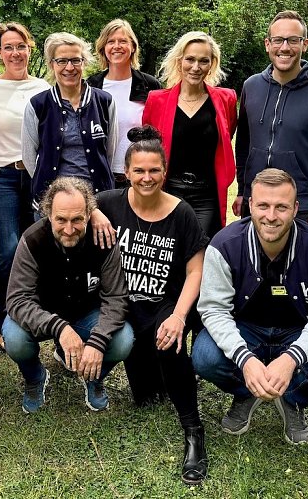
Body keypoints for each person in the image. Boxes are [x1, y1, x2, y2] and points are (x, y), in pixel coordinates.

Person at [192, 169, 308, 445]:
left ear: (295, 209)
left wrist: (291, 359)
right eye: (263, 205)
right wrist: (245, 359)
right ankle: (248, 392)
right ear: (250, 205)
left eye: (281, 207)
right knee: (204, 356)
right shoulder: (224, 245)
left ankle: (292, 399)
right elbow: (213, 310)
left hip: (298, 330)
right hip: (246, 329)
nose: (271, 216)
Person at [90, 126, 209, 485]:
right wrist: (93, 212)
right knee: (146, 396)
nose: (146, 177)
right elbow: (73, 200)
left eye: (154, 170)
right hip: (123, 305)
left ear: (164, 171)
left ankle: (193, 431)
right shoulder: (108, 202)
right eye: (138, 170)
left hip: (165, 303)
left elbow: (196, 268)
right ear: (126, 172)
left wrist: (178, 317)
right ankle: (151, 374)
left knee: (170, 347)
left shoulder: (181, 212)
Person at [3, 177, 133, 413]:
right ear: (48, 214)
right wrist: (59, 327)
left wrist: (98, 340)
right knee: (14, 336)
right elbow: (17, 299)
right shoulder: (32, 240)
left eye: (77, 220)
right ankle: (35, 377)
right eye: (61, 219)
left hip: (87, 316)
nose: (69, 229)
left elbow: (116, 297)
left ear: (89, 215)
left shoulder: (104, 240)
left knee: (123, 339)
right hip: (44, 316)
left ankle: (93, 376)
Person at [233, 11, 308, 230]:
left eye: (293, 40)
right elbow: (243, 144)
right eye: (278, 40)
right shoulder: (251, 87)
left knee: (300, 264)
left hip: (303, 205)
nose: (284, 47)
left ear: (305, 44)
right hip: (257, 200)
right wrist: (243, 192)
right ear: (267, 44)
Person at [0, 22, 51, 338]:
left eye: (20, 46)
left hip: (36, 176)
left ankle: (30, 313)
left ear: (29, 48)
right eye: (8, 47)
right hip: (3, 177)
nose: (15, 52)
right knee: (8, 248)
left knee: (36, 246)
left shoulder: (44, 89)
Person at [142, 31, 237, 238]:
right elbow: (149, 148)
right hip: (169, 191)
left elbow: (225, 138)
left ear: (212, 64)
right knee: (168, 254)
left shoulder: (225, 99)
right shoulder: (157, 100)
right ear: (179, 61)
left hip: (207, 196)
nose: (196, 67)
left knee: (202, 252)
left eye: (204, 61)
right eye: (190, 59)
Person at [22, 32, 118, 213]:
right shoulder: (38, 105)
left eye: (75, 60)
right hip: (52, 202)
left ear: (84, 62)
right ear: (51, 64)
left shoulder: (105, 102)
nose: (69, 67)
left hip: (99, 200)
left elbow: (108, 153)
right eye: (61, 61)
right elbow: (29, 158)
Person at [86, 19, 161, 189]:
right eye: (111, 41)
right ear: (103, 48)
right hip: (100, 174)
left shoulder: (149, 85)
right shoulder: (91, 85)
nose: (116, 46)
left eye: (123, 41)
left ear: (133, 46)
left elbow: (158, 131)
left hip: (139, 175)